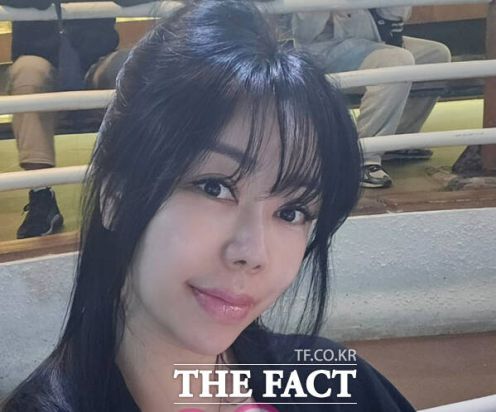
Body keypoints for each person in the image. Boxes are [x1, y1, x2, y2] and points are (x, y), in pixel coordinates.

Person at [2, 1, 414, 411]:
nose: (253, 253)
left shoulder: (334, 382)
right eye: (214, 187)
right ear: (116, 194)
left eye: (291, 212)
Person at [3, 0, 149, 239]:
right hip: (41, 60)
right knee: (27, 72)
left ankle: (123, 187)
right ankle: (40, 194)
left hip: (97, 61)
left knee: (126, 68)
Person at [292, 7, 451, 188]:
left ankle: (398, 139)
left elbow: (396, 15)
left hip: (373, 40)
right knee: (396, 61)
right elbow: (305, 32)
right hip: (325, 50)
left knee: (436, 55)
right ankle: (364, 156)